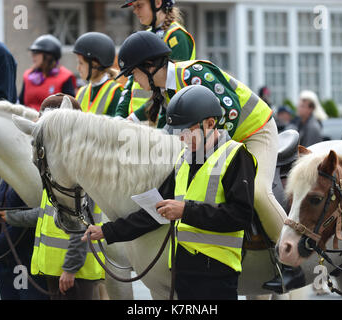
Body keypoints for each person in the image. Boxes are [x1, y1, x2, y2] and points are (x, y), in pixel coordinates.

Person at [115, 30, 305, 293]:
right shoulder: (165, 90)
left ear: (149, 66)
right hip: (226, 139)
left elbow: (231, 113)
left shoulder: (194, 73)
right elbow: (154, 120)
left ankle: (292, 266)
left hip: (254, 131)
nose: (134, 82)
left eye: (133, 74)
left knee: (259, 192)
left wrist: (203, 157)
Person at [83, 85, 257, 299]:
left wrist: (186, 211)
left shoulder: (236, 156)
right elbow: (155, 211)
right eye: (178, 133)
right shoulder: (183, 160)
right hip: (183, 270)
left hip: (216, 274)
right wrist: (108, 231)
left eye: (186, 132)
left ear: (210, 124)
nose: (181, 139)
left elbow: (240, 216)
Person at [0, 94, 106, 300]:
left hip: (73, 273)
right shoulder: (58, 168)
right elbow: (44, 213)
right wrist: (9, 217)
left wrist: (70, 268)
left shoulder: (81, 168)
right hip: (59, 272)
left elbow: (82, 223)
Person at [0, 179, 49, 300]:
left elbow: (21, 226)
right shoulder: (4, 178)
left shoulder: (32, 176)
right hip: (5, 262)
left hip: (27, 261)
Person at [115, 0, 196, 120]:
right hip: (137, 122)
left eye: (139, 5)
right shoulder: (145, 36)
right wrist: (120, 115)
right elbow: (130, 81)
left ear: (157, 3)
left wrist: (136, 117)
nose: (135, 11)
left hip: (159, 121)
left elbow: (172, 89)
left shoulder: (177, 37)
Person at [20, 34, 76, 111]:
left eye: (36, 52)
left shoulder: (65, 77)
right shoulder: (27, 75)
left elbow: (70, 108)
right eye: (32, 52)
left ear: (48, 56)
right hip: (28, 120)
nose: (32, 56)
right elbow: (21, 103)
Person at [73, 32, 122, 116]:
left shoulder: (115, 92)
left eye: (81, 63)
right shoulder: (81, 92)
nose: (78, 68)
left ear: (95, 65)